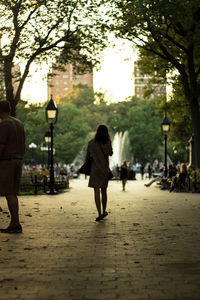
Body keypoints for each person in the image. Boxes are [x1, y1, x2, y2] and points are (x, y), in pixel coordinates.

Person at [0, 101, 25, 233]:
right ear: (10, 109)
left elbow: (1, 145)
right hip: (18, 160)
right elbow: (24, 145)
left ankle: (15, 223)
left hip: (7, 161)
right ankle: (14, 223)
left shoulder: (4, 124)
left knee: (9, 193)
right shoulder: (19, 123)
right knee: (13, 193)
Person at [86, 125, 113, 222]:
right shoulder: (107, 142)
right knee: (104, 191)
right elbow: (110, 153)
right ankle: (104, 210)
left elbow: (87, 157)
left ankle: (99, 213)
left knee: (96, 191)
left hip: (94, 170)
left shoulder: (91, 143)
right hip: (104, 170)